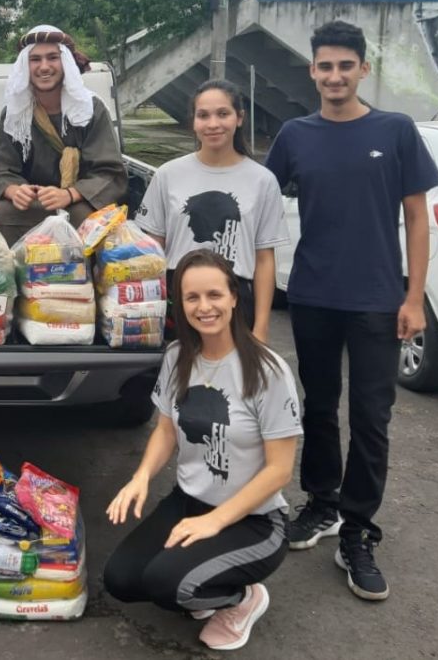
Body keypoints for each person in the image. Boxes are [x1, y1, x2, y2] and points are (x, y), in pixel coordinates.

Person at [264, 20, 438, 601]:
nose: (335, 76)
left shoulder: (395, 131)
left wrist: (413, 297)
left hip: (376, 299)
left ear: (363, 70)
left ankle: (358, 531)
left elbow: (417, 218)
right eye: (325, 66)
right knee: (317, 406)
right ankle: (322, 503)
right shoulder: (295, 135)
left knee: (371, 417)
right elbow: (261, 201)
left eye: (345, 66)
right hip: (313, 294)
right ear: (312, 71)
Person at [103, 249, 301, 652]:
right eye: (192, 297)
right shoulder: (178, 357)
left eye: (214, 294)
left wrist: (216, 522)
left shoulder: (267, 370)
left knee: (167, 585)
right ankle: (198, 580)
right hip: (188, 502)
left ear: (233, 297)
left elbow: (279, 470)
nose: (204, 306)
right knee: (120, 580)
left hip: (255, 520)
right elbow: (165, 430)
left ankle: (244, 599)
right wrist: (140, 477)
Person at [135, 79, 288, 342]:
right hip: (178, 299)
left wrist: (261, 328)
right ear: (193, 122)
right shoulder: (168, 175)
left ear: (239, 118)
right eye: (203, 115)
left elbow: (264, 259)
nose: (213, 124)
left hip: (236, 301)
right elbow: (153, 250)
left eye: (223, 114)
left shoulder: (262, 180)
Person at [0, 24, 127, 245]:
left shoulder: (91, 109)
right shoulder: (15, 114)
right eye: (35, 59)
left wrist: (69, 194)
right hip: (35, 204)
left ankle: (85, 277)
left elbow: (110, 172)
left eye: (52, 58)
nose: (44, 67)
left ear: (65, 63)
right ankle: (21, 276)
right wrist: (14, 190)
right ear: (26, 65)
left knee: (84, 215)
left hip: (79, 201)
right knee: (4, 212)